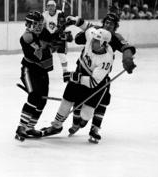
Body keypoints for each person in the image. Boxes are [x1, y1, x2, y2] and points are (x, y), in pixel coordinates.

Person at [46, 10, 136, 143]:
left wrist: (127, 59)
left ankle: (94, 128)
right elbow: (84, 27)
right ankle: (64, 124)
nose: (108, 25)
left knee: (102, 101)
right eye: (107, 22)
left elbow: (127, 47)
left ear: (115, 26)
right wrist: (74, 21)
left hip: (99, 75)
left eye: (112, 23)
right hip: (82, 68)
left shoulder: (115, 38)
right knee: (73, 97)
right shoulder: (94, 31)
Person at [41, 27, 114, 144]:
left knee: (85, 114)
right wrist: (75, 25)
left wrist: (73, 77)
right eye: (94, 39)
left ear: (104, 44)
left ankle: (84, 121)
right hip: (81, 73)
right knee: (67, 99)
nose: (93, 42)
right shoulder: (91, 37)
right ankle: (56, 125)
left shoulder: (106, 60)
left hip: (96, 84)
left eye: (97, 41)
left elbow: (93, 82)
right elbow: (88, 29)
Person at [15, 11, 72, 141]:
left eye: (41, 24)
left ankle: (30, 127)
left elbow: (51, 40)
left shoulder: (43, 32)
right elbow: (41, 54)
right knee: (34, 95)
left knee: (42, 100)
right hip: (29, 70)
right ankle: (21, 127)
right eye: (36, 24)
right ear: (28, 24)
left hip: (42, 71)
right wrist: (56, 43)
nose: (39, 27)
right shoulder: (27, 37)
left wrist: (61, 33)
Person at [42, 0, 71, 74]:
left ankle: (65, 71)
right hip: (48, 36)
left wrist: (62, 24)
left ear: (55, 7)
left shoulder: (60, 14)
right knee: (45, 54)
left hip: (58, 36)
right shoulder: (44, 14)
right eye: (48, 6)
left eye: (52, 6)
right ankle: (44, 70)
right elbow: (43, 26)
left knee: (62, 55)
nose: (50, 7)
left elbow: (64, 28)